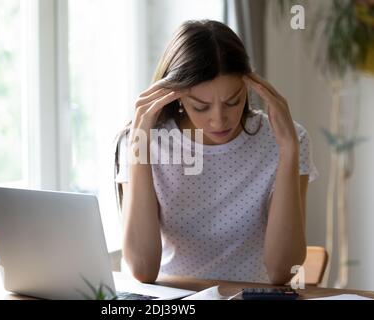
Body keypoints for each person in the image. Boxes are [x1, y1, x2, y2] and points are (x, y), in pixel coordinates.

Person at [114, 20, 318, 285]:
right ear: (175, 97)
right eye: (201, 107)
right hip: (173, 303)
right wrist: (139, 149)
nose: (219, 120)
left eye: (233, 101)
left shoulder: (289, 140)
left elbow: (282, 270)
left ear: (249, 86)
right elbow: (142, 268)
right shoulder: (145, 141)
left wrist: (289, 152)